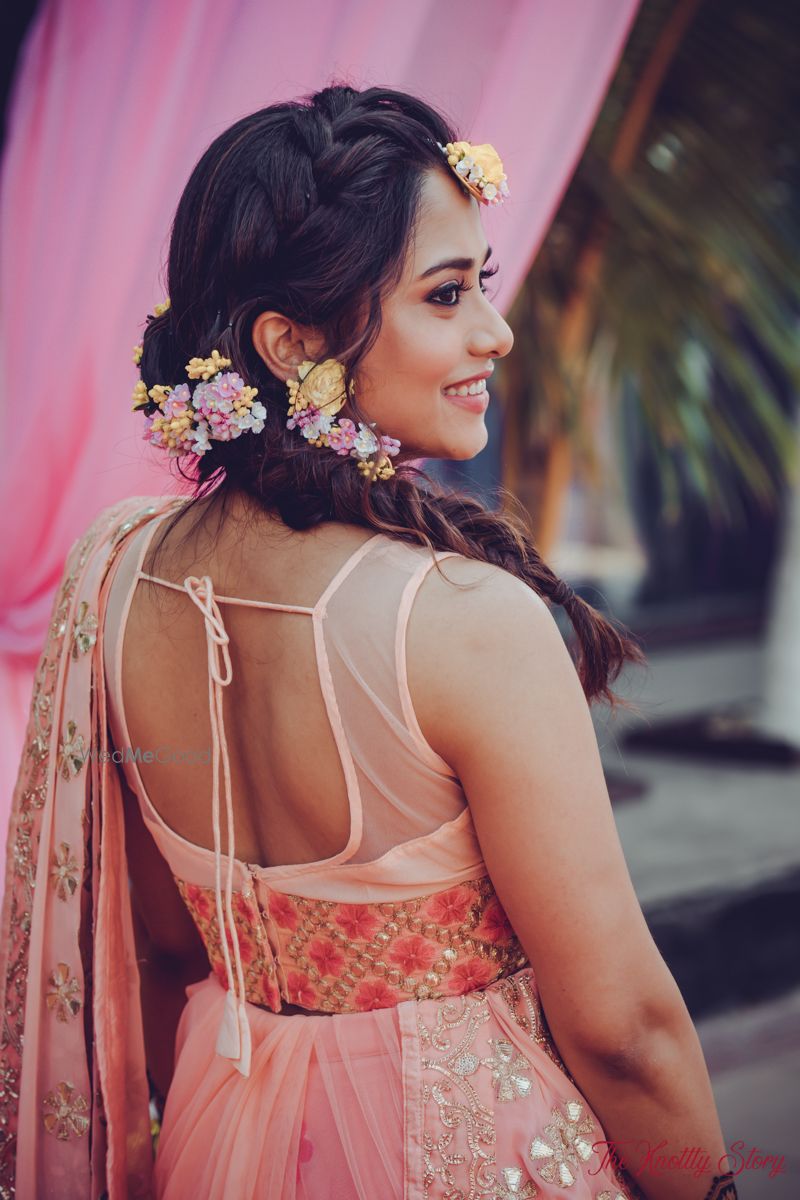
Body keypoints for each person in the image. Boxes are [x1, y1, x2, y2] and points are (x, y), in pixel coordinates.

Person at [0, 84, 737, 1200]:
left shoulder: (115, 573)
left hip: (219, 1131)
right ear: (290, 344)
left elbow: (158, 947)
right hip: (455, 1149)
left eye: (480, 285)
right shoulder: (459, 621)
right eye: (445, 295)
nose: (493, 331)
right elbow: (623, 1028)